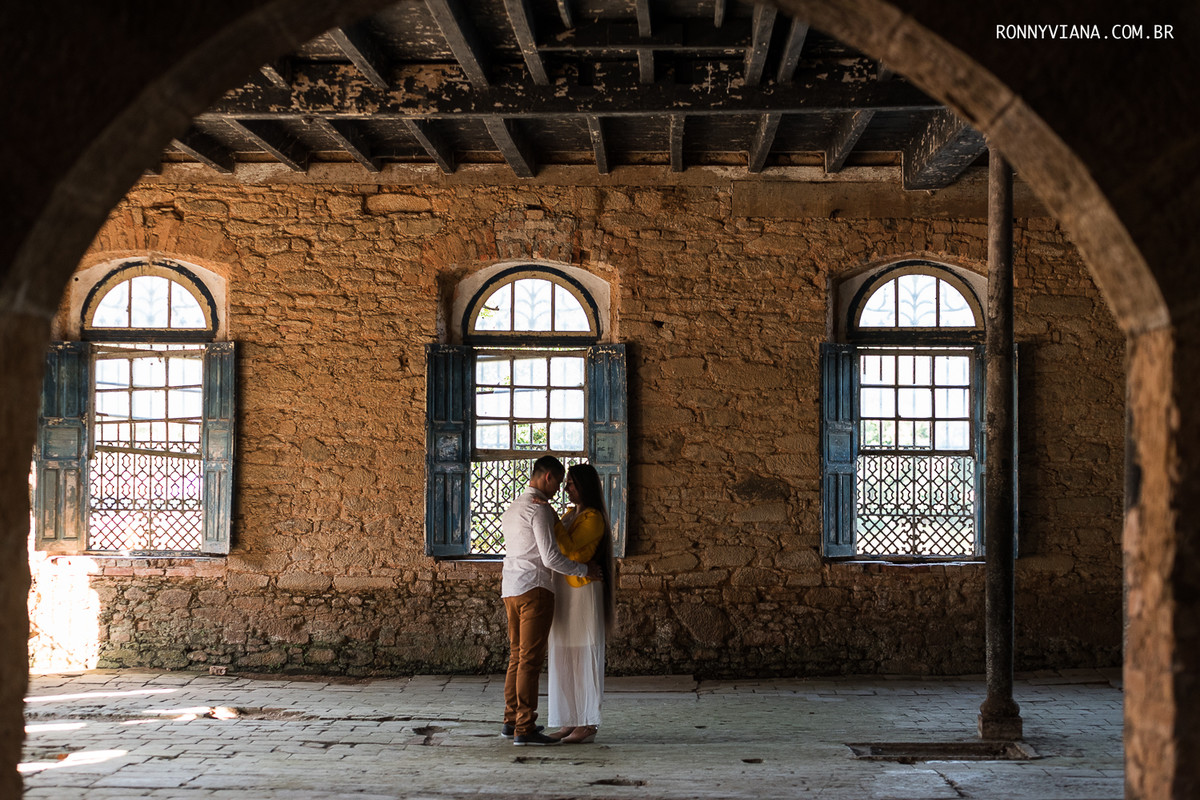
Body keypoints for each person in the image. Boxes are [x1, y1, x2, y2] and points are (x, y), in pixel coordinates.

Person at [500, 455, 601, 746]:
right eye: (560, 482)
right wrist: (584, 569)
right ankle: (525, 728)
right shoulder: (540, 510)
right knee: (530, 662)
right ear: (548, 478)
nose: (560, 490)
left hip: (511, 587)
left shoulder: (513, 507)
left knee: (516, 657)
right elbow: (551, 557)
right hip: (535, 589)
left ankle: (510, 720)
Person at [545, 463, 616, 744]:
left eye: (571, 484)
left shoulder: (593, 518)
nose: (566, 489)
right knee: (563, 655)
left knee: (584, 656)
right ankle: (568, 719)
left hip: (583, 592)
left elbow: (570, 548)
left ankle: (587, 722)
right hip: (564, 591)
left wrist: (551, 519)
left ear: (584, 486)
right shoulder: (570, 515)